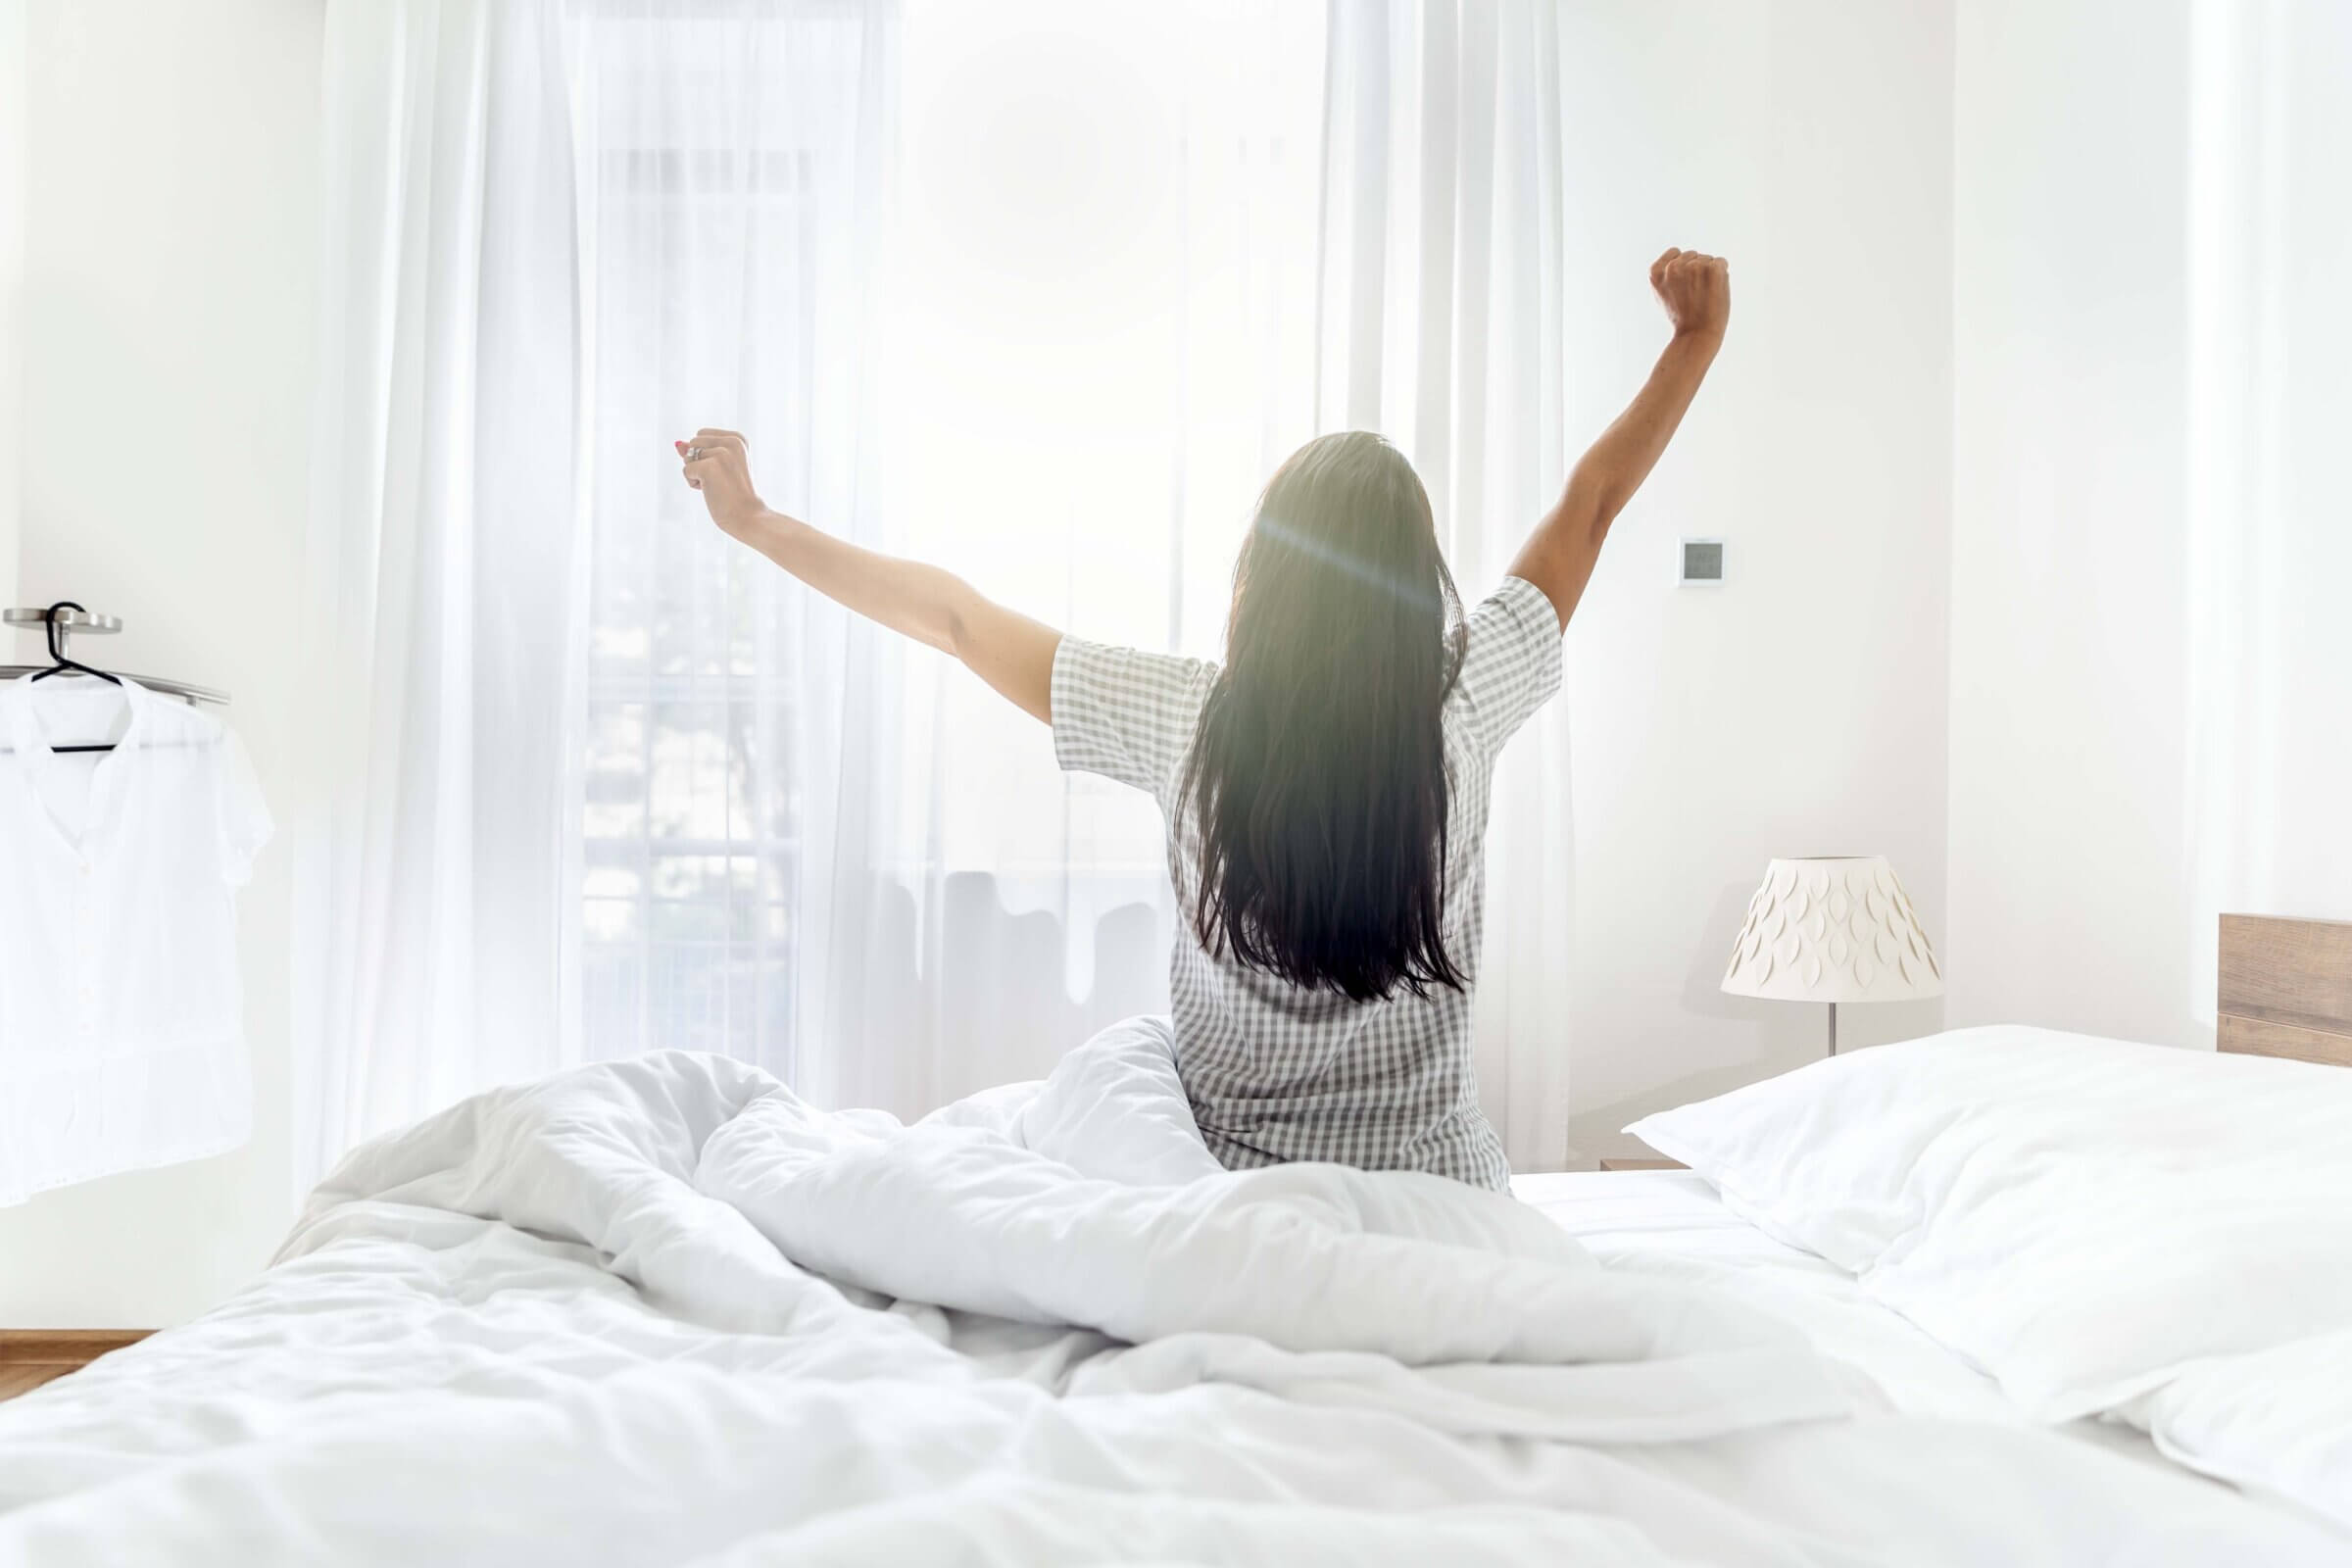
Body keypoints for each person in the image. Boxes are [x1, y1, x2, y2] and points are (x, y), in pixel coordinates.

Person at [679, 247, 1730, 1190]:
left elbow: (955, 618)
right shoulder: (1468, 699)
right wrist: (1694, 341)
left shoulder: (1185, 719)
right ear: (1420, 587)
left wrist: (759, 522)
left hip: (1224, 1198)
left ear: (1262, 580)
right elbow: (1591, 501)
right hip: (1436, 1191)